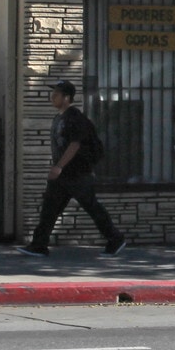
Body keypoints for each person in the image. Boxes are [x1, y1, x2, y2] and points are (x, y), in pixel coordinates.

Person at [18, 80, 126, 257]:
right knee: (49, 209)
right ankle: (39, 245)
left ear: (67, 98)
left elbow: (75, 144)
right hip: (63, 177)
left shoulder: (74, 118)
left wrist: (58, 166)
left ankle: (115, 239)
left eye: (56, 94)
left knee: (92, 207)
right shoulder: (59, 118)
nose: (52, 97)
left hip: (78, 174)